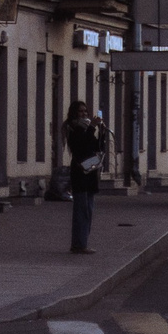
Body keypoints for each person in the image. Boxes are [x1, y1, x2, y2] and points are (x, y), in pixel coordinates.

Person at [62, 99, 107, 254]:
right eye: (81, 111)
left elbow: (96, 147)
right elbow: (80, 147)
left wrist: (101, 132)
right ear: (74, 113)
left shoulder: (87, 129)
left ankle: (82, 242)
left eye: (85, 111)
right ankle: (79, 244)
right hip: (80, 172)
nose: (84, 114)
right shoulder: (73, 128)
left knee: (88, 209)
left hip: (90, 171)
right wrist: (92, 127)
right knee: (82, 210)